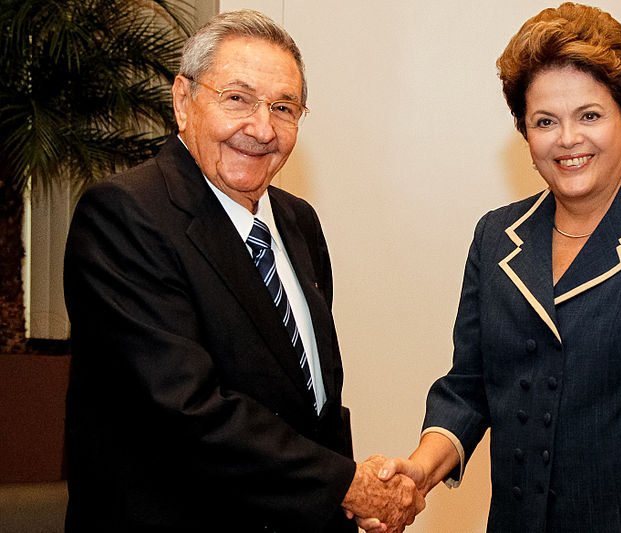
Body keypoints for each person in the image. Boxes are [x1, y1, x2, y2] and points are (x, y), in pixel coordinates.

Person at [375, 3, 621, 532]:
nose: (567, 139)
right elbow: (469, 386)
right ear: (525, 134)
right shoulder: (495, 237)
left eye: (589, 115)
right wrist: (418, 473)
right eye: (544, 121)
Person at [63, 10, 422, 533]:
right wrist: (347, 485)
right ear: (183, 102)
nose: (261, 128)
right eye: (237, 98)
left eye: (284, 108)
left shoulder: (299, 222)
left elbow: (312, 399)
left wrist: (341, 502)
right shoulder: (125, 215)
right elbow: (185, 407)